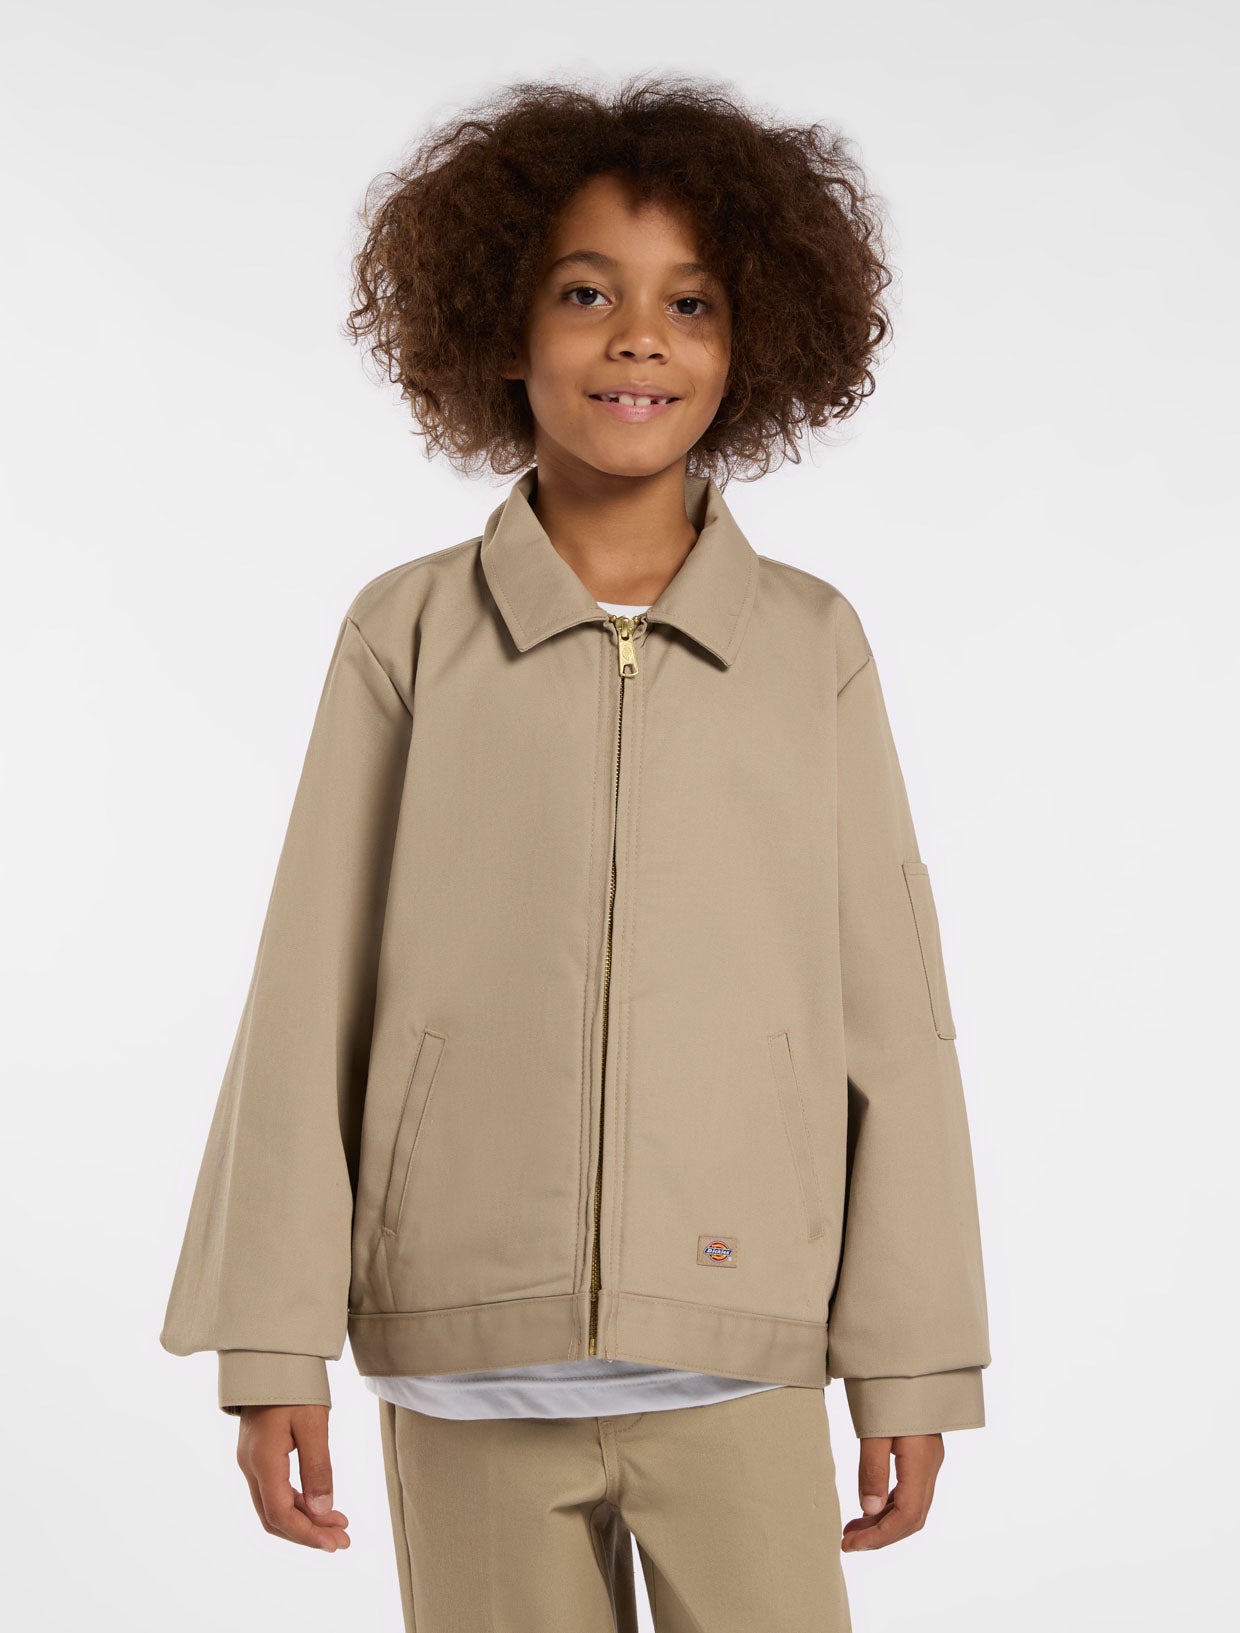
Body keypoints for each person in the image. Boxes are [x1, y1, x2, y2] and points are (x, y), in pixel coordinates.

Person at [160, 74, 991, 1632]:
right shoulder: (408, 632)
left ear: (754, 342)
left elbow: (895, 1020)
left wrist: (915, 1355)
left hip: (739, 1350)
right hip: (464, 1361)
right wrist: (269, 1343)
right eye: (587, 292)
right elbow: (306, 989)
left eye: (692, 301)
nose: (639, 339)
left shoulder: (810, 646)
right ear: (503, 324)